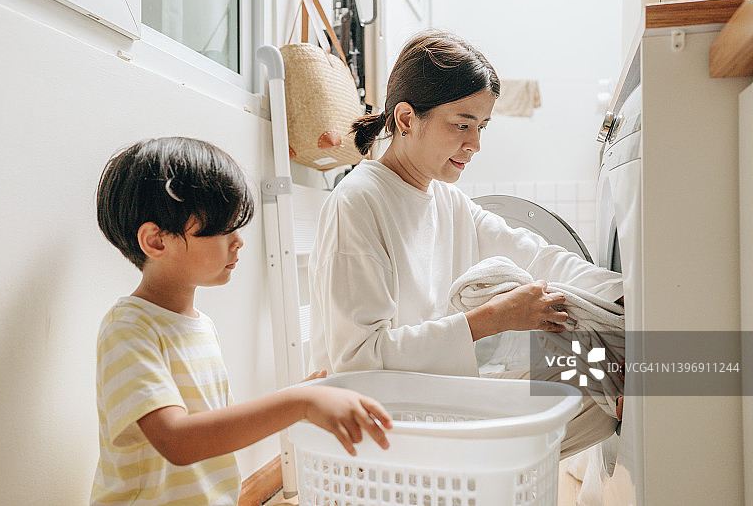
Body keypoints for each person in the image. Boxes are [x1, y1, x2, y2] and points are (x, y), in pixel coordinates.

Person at [308, 30, 624, 456]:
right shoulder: (359, 203)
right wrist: (490, 319)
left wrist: (627, 300)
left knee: (601, 378)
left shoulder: (446, 200)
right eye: (462, 125)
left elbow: (536, 256)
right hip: (382, 430)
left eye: (482, 127)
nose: (475, 144)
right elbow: (361, 361)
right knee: (586, 385)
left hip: (435, 409)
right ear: (406, 120)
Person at [91, 137, 392, 506]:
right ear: (156, 241)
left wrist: (293, 395)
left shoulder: (200, 324)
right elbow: (178, 441)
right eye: (223, 229)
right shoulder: (128, 329)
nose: (239, 242)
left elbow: (212, 426)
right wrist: (299, 403)